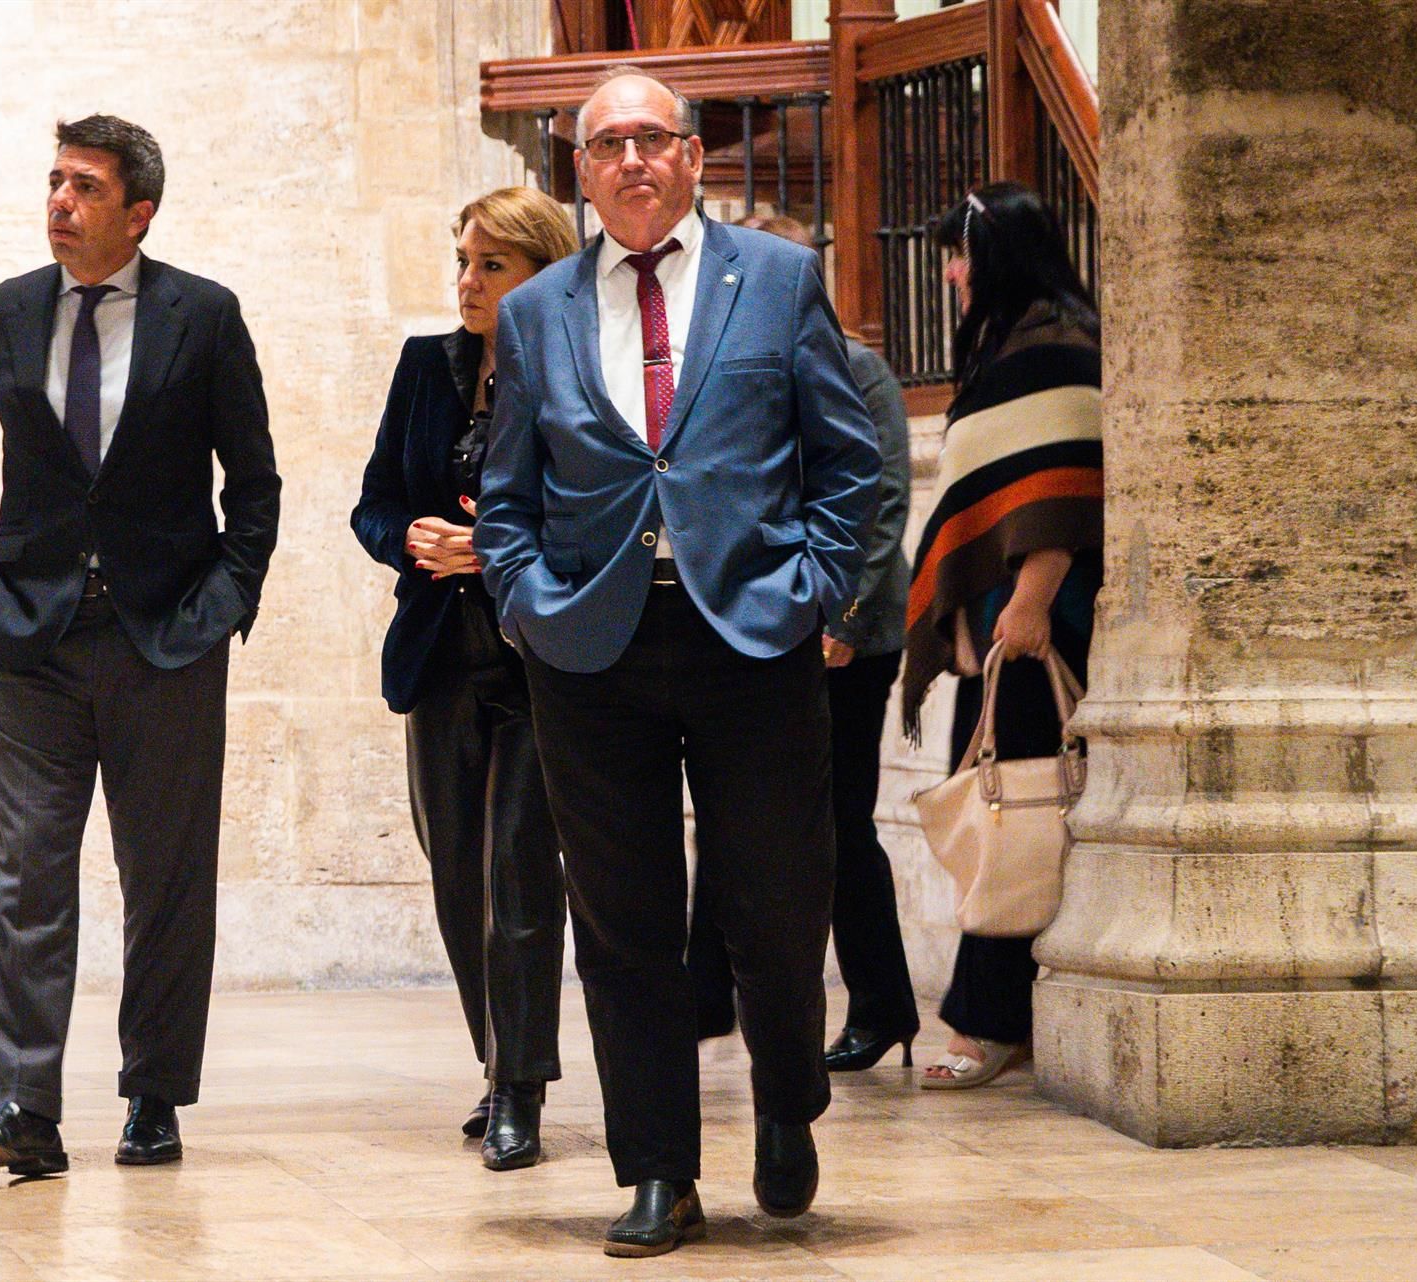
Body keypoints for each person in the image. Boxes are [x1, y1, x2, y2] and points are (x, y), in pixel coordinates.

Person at [475, 68, 880, 1257]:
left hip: (751, 635)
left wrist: (814, 588)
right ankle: (657, 1168)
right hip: (593, 650)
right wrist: (526, 604)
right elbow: (508, 495)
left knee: (776, 896)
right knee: (621, 922)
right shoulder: (537, 310)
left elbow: (848, 463)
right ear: (583, 171)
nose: (635, 160)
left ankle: (788, 1099)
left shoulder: (781, 280)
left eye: (655, 139)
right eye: (610, 145)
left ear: (694, 159)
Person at [0, 115, 280, 1174]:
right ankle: (24, 1107)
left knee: (165, 874)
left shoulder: (202, 317)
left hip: (165, 637)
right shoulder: (7, 311)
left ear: (139, 211)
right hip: (28, 641)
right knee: (31, 874)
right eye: (53, 182)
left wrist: (226, 600)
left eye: (83, 187)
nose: (59, 202)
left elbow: (252, 484)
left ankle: (155, 1095)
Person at [351, 187, 579, 1172]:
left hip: (539, 662)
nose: (468, 282)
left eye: (491, 264)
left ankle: (522, 1089)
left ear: (541, 273)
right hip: (441, 654)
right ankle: (496, 1063)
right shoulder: (425, 365)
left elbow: (600, 514)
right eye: (462, 261)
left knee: (521, 877)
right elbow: (373, 504)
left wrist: (489, 547)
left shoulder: (579, 369)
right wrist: (409, 537)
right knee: (455, 878)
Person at [687, 213, 921, 1072]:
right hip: (758, 622)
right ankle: (705, 998)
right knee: (725, 818)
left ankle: (882, 1002)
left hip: (844, 632)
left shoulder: (861, 370)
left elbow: (880, 502)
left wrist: (840, 621)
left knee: (838, 825)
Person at [900, 180, 1103, 1090]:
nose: (950, 271)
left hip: (1039, 625)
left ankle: (986, 1022)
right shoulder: (1016, 341)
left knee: (1014, 814)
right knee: (999, 814)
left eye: (960, 253)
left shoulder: (1057, 341)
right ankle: (1008, 1014)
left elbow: (1067, 488)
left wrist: (1026, 601)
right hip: (1004, 627)